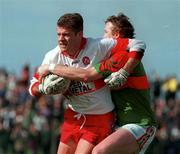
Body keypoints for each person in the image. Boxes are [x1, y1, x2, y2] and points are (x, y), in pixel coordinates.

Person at [37, 13, 157, 154]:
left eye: (105, 32)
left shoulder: (123, 56)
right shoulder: (107, 58)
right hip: (117, 126)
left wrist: (51, 68)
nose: (102, 37)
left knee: (99, 151)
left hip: (141, 124)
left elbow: (86, 75)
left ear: (116, 36)